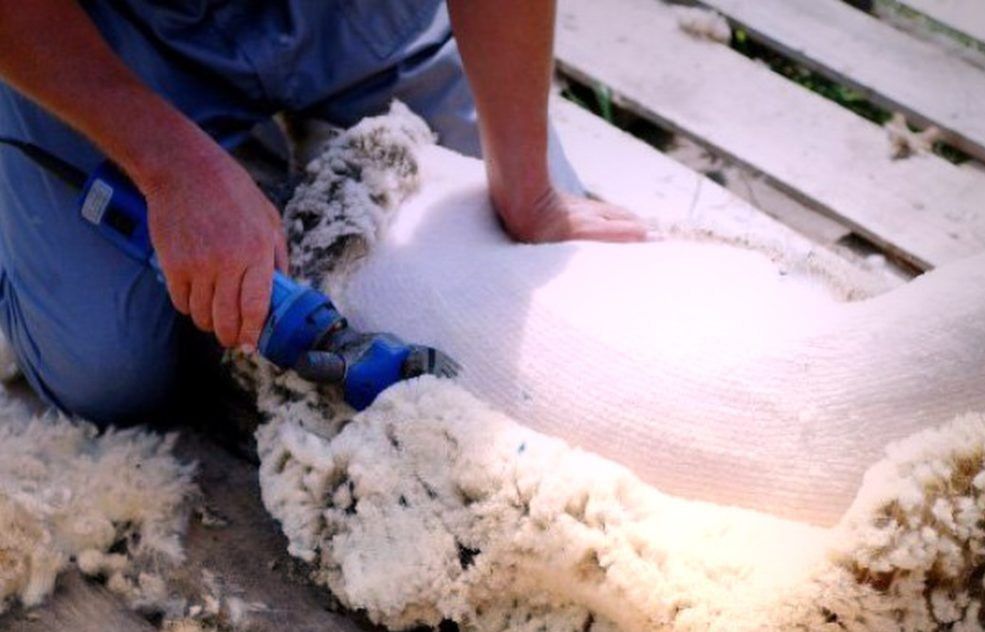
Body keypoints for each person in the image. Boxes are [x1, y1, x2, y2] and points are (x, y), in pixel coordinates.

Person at [0, 0, 648, 425]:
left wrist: (529, 188)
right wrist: (174, 165)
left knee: (546, 272)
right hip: (103, 28)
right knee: (109, 378)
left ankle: (285, 130)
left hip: (344, 14)